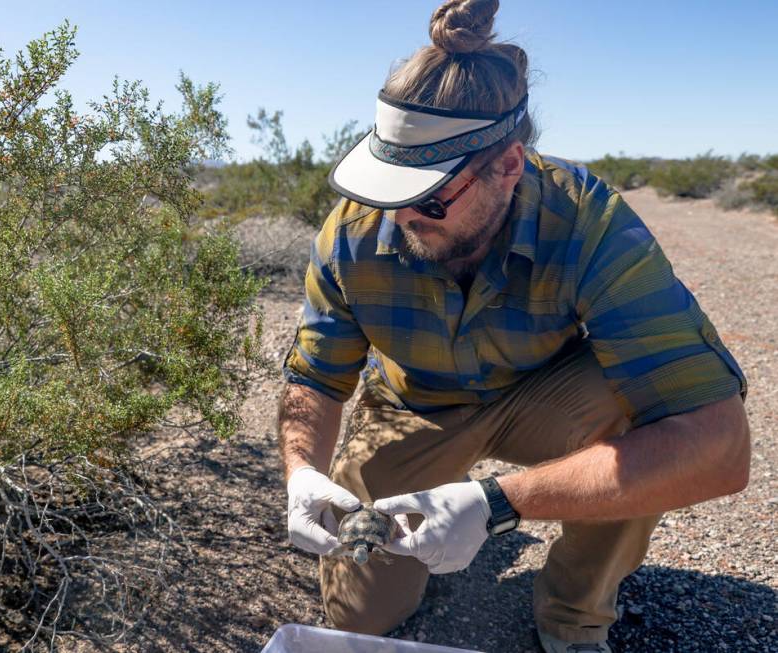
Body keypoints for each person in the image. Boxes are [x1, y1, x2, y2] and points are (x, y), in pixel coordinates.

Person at [276, 1, 751, 651]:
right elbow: (317, 377)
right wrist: (301, 471)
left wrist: (499, 503)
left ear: (507, 165)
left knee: (645, 420)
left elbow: (717, 448)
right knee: (362, 616)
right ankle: (448, 519)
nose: (403, 217)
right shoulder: (352, 235)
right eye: (389, 190)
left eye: (430, 197)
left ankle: (575, 614)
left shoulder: (585, 219)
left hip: (545, 391)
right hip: (412, 401)